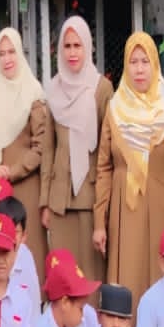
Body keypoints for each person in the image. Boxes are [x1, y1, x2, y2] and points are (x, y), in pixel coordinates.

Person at [93, 32, 164, 312]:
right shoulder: (115, 110)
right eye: (133, 61)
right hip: (123, 211)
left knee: (156, 281)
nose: (138, 68)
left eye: (144, 61)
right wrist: (100, 220)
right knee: (125, 285)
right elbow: (104, 167)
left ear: (155, 65)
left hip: (160, 211)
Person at [0, 28, 53, 274]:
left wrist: (13, 171)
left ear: (20, 53)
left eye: (11, 52)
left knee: (27, 255)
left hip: (26, 187)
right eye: (1, 53)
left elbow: (40, 146)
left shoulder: (34, 92)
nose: (7, 58)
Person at [43, 16, 113, 279]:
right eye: (67, 46)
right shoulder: (53, 89)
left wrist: (104, 208)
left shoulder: (101, 89)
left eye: (78, 45)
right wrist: (45, 203)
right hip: (59, 201)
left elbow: (107, 152)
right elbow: (48, 150)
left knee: (91, 279)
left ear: (88, 47)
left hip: (90, 199)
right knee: (62, 278)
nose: (72, 52)